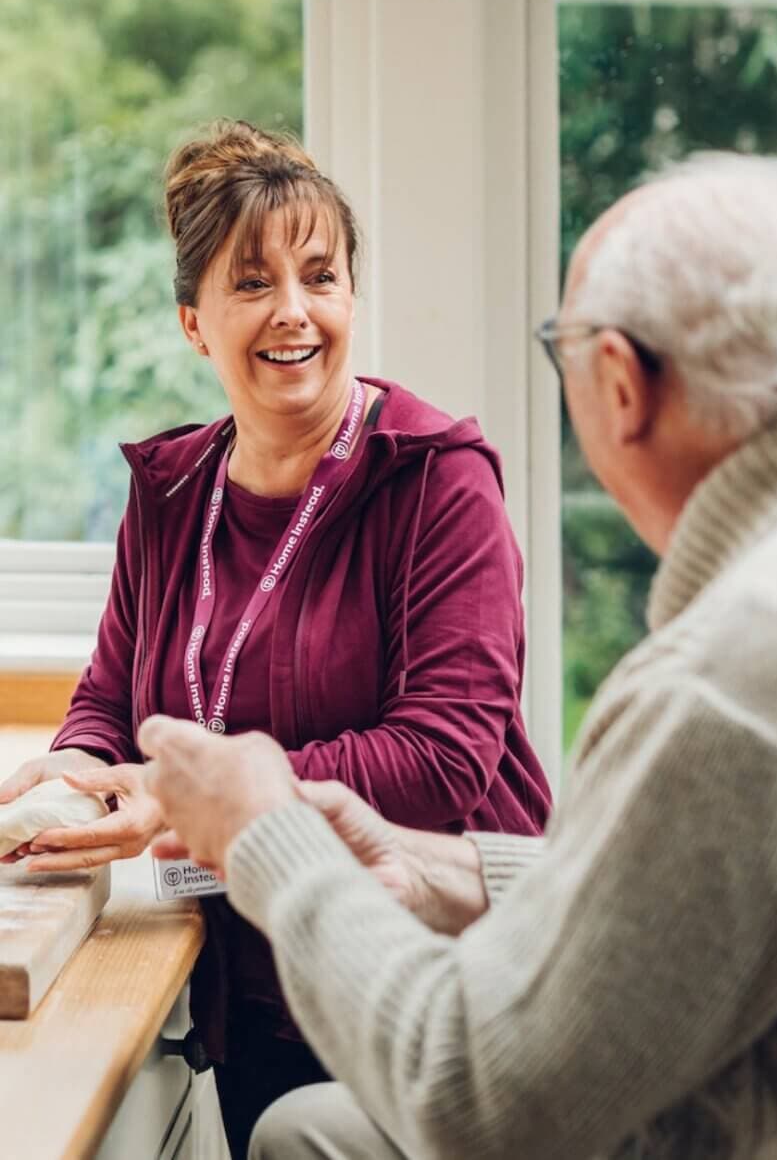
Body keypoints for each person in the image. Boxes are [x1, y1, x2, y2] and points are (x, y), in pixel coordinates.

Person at [140, 151, 777, 1160]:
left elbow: (477, 1098)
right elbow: (732, 883)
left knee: (300, 1137)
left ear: (620, 384)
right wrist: (456, 867)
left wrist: (268, 837)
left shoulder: (741, 682)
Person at [0, 121, 551, 1160]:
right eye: (251, 282)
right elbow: (113, 696)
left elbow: (444, 758)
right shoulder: (171, 489)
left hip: (425, 977)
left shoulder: (436, 479)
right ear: (194, 324)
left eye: (320, 274)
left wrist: (193, 800)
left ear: (349, 296)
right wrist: (74, 770)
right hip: (250, 982)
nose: (293, 311)